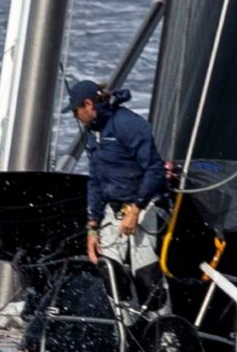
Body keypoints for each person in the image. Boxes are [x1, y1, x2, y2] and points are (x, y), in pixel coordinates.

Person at [69, 78, 170, 274]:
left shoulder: (127, 124)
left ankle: (157, 303)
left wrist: (135, 209)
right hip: (114, 210)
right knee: (110, 272)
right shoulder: (92, 132)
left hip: (142, 207)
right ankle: (121, 305)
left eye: (75, 111)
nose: (76, 117)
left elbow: (155, 169)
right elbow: (95, 180)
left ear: (88, 105)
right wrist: (92, 227)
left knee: (146, 275)